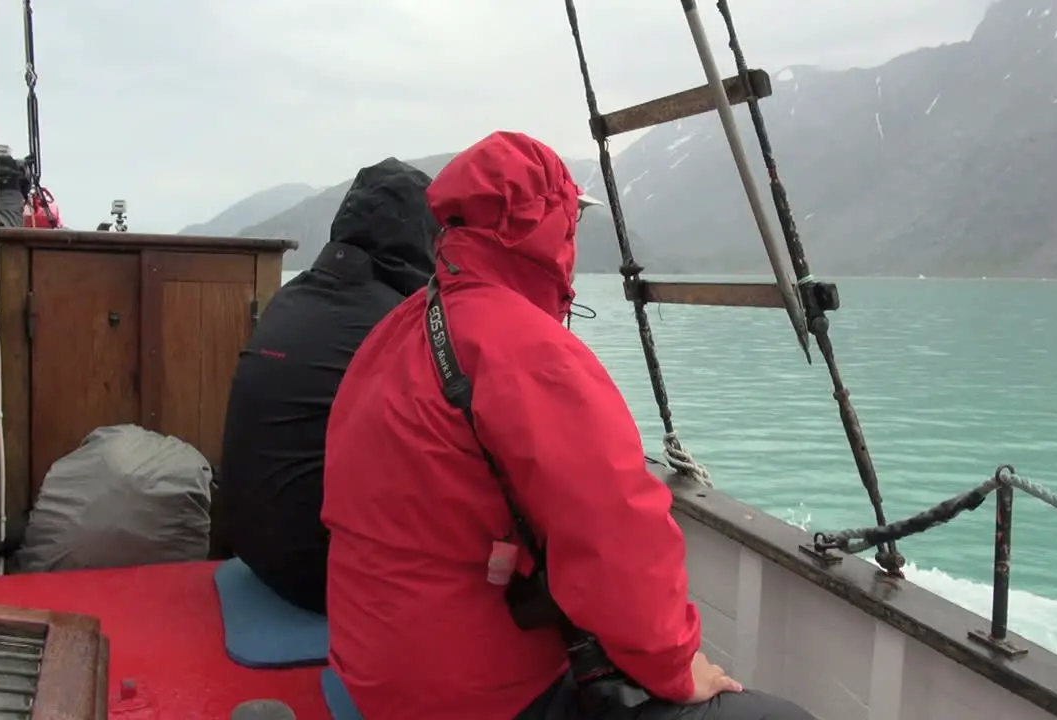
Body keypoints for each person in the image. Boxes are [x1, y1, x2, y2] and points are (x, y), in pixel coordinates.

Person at [321, 132, 816, 720]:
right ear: (548, 229)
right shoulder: (528, 349)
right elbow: (616, 536)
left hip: (371, 667)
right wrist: (678, 667)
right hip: (468, 693)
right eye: (571, 222)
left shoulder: (399, 328)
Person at [217, 157, 439, 613]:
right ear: (425, 237)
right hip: (319, 575)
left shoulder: (292, 296)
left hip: (251, 549)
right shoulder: (402, 323)